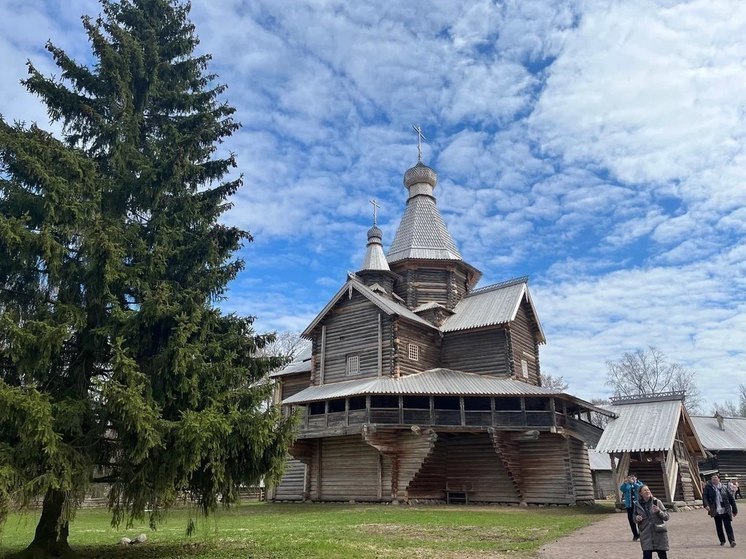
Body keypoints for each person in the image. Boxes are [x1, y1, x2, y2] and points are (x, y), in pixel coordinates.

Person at [634, 485, 670, 559]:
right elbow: (634, 518)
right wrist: (637, 518)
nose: (647, 491)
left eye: (648, 489)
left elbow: (666, 517)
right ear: (640, 493)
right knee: (647, 556)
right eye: (645, 490)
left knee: (662, 555)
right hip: (646, 533)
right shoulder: (637, 504)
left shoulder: (657, 502)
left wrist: (658, 511)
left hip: (658, 533)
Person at [703, 474, 738, 547]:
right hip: (716, 510)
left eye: (715, 478)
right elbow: (705, 496)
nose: (714, 480)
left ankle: (732, 541)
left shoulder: (724, 487)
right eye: (712, 479)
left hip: (725, 510)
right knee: (719, 526)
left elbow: (731, 499)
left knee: (728, 526)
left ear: (719, 479)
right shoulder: (708, 488)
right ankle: (722, 540)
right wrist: (706, 505)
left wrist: (734, 510)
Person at [620, 474, 644, 541]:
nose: (631, 479)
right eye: (630, 477)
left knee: (640, 519)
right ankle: (635, 535)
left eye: (633, 477)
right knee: (631, 520)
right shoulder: (627, 485)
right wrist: (625, 483)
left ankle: (641, 534)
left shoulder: (639, 483)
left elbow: (640, 488)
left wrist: (634, 483)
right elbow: (622, 489)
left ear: (636, 477)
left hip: (638, 505)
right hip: (629, 505)